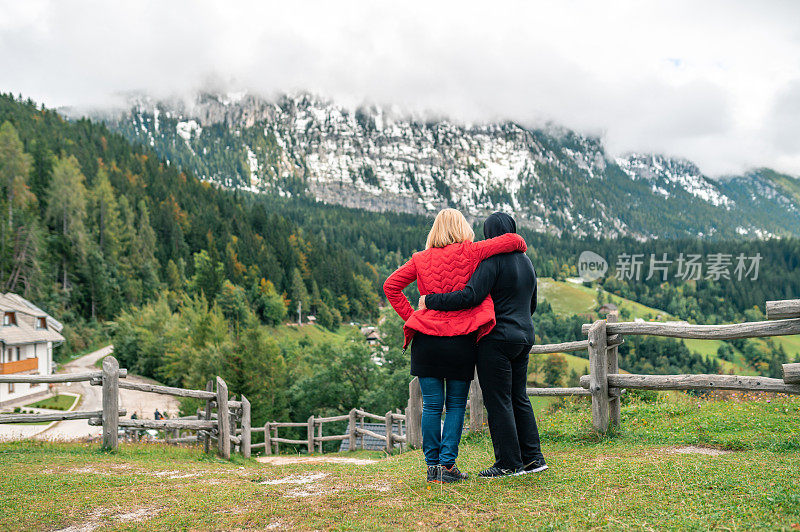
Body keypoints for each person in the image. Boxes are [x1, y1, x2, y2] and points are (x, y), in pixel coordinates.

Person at [384, 208, 527, 484]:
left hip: (426, 340)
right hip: (460, 341)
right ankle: (448, 467)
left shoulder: (420, 259)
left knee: (432, 406)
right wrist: (520, 242)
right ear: (462, 228)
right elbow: (513, 241)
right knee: (456, 404)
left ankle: (432, 468)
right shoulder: (472, 251)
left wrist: (413, 316)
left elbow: (391, 286)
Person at [420, 212, 546, 479]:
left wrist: (431, 301)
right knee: (519, 397)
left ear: (490, 233)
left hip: (496, 338)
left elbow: (470, 296)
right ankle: (534, 458)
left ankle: (508, 463)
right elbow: (532, 303)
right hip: (525, 335)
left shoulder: (491, 261)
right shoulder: (527, 262)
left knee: (498, 400)